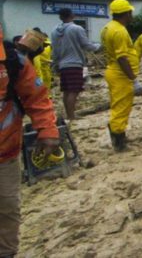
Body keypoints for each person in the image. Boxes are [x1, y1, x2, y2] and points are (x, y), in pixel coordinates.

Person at [0, 24, 60, 256]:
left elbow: (36, 98)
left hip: (5, 154)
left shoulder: (12, 62)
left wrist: (47, 131)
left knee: (7, 209)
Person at [101, 0, 142, 151]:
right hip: (120, 75)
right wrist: (133, 79)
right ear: (126, 13)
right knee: (121, 108)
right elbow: (121, 57)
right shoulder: (119, 31)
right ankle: (119, 142)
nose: (132, 15)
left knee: (118, 105)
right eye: (130, 12)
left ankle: (119, 134)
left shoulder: (108, 27)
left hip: (114, 71)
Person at [51, 8, 101, 120]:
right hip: (74, 64)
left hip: (62, 64)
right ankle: (71, 116)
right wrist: (98, 47)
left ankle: (69, 115)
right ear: (72, 15)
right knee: (74, 91)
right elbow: (86, 45)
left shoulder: (54, 31)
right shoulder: (76, 28)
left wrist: (55, 64)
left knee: (66, 91)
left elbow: (54, 50)